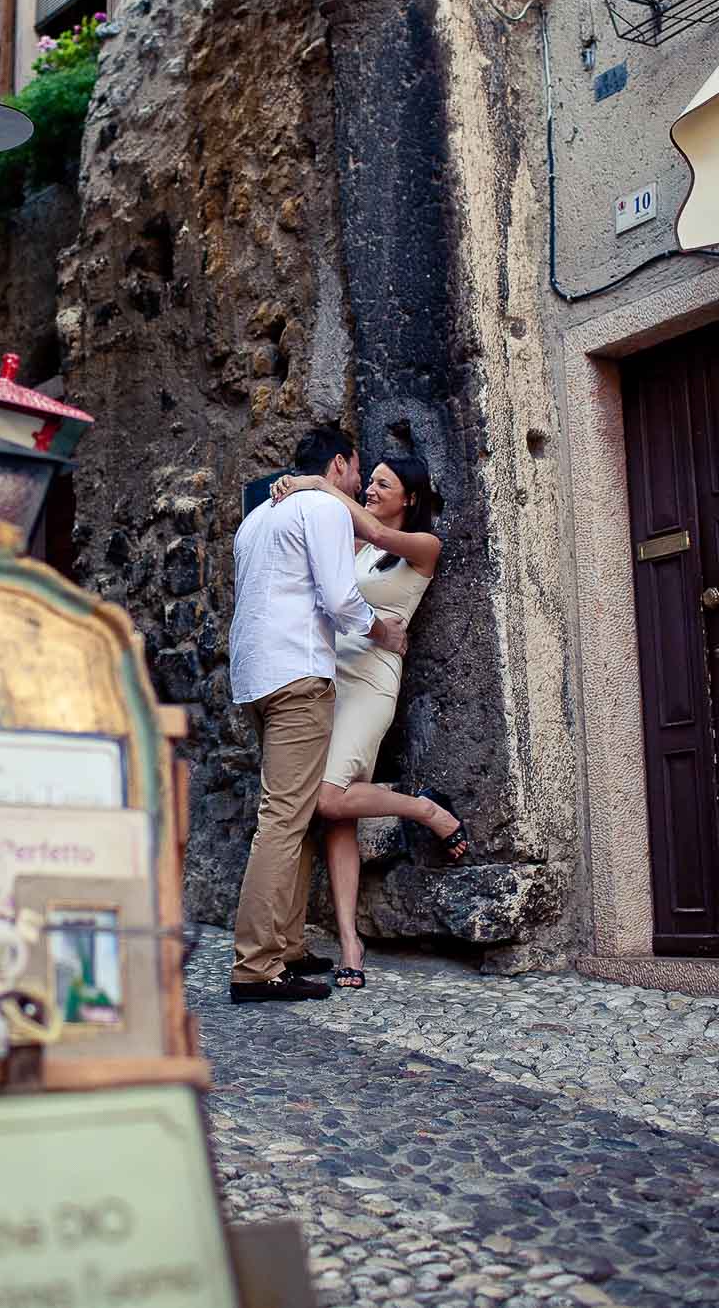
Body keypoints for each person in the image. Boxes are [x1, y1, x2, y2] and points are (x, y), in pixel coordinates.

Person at [269, 453, 468, 991]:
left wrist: (313, 482)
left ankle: (424, 809)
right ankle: (351, 941)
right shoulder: (356, 544)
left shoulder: (423, 548)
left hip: (373, 682)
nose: (373, 489)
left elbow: (374, 528)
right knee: (336, 817)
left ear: (410, 498)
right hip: (332, 677)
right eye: (371, 480)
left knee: (329, 798)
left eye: (384, 483)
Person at [224, 424, 408, 1003]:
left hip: (255, 676)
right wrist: (386, 635)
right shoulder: (325, 511)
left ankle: (287, 946)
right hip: (299, 674)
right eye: (356, 470)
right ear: (338, 465)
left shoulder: (255, 520)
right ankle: (256, 966)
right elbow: (339, 598)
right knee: (283, 820)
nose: (358, 482)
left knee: (296, 817)